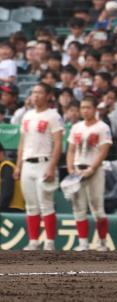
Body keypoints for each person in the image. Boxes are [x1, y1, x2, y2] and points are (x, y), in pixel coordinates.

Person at [14, 83, 63, 251]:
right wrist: (18, 166)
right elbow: (22, 143)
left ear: (48, 95)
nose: (35, 96)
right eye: (33, 92)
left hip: (44, 162)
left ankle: (49, 242)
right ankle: (33, 241)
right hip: (27, 163)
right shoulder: (27, 116)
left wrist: (52, 166)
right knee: (31, 205)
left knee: (46, 204)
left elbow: (58, 144)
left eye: (40, 92)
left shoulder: (53, 116)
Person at [66, 97, 113, 252]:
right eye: (82, 107)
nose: (85, 110)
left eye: (88, 107)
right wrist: (70, 168)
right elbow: (71, 149)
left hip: (94, 169)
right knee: (78, 208)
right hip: (78, 170)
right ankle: (83, 243)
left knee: (97, 207)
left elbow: (104, 150)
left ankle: (102, 242)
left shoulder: (102, 127)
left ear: (94, 109)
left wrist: (92, 168)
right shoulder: (76, 127)